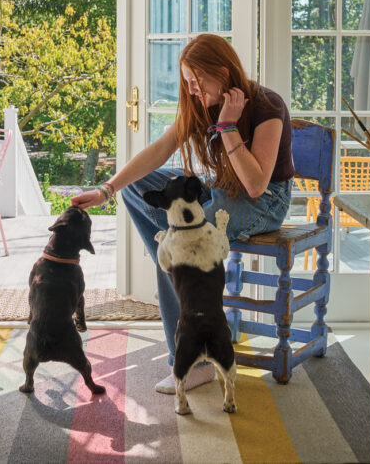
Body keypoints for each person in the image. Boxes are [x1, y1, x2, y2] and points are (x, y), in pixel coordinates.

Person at [71, 33, 293, 394]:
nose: (191, 90)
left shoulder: (268, 104)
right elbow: (160, 150)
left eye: (196, 81)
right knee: (137, 189)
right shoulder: (200, 103)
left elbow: (255, 184)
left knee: (179, 247)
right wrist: (105, 190)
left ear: (222, 73)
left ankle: (194, 362)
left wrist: (227, 126)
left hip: (264, 201)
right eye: (186, 83)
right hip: (220, 187)